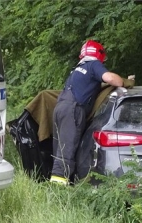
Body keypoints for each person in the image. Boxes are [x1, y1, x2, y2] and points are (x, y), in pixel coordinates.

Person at [50, 40, 126, 185]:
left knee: (60, 149)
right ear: (99, 54)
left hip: (60, 108)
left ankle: (58, 184)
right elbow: (111, 79)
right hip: (73, 110)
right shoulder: (93, 64)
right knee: (67, 151)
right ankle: (58, 189)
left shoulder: (78, 69)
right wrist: (123, 81)